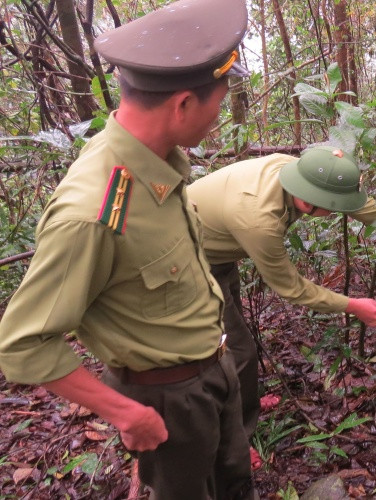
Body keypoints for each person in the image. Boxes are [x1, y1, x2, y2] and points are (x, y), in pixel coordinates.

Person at [0, 0, 256, 497]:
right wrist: (126, 414)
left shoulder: (156, 161)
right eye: (219, 104)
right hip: (166, 398)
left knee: (234, 481)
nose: (219, 116)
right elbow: (22, 345)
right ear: (183, 104)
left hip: (214, 367)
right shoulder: (93, 214)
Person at [186, 146, 376, 447]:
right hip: (186, 262)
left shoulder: (300, 172)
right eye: (332, 208)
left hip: (214, 248)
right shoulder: (260, 221)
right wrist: (351, 305)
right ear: (308, 202)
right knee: (238, 351)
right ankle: (237, 440)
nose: (337, 211)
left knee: (232, 335)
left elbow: (345, 198)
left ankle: (243, 399)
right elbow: (291, 288)